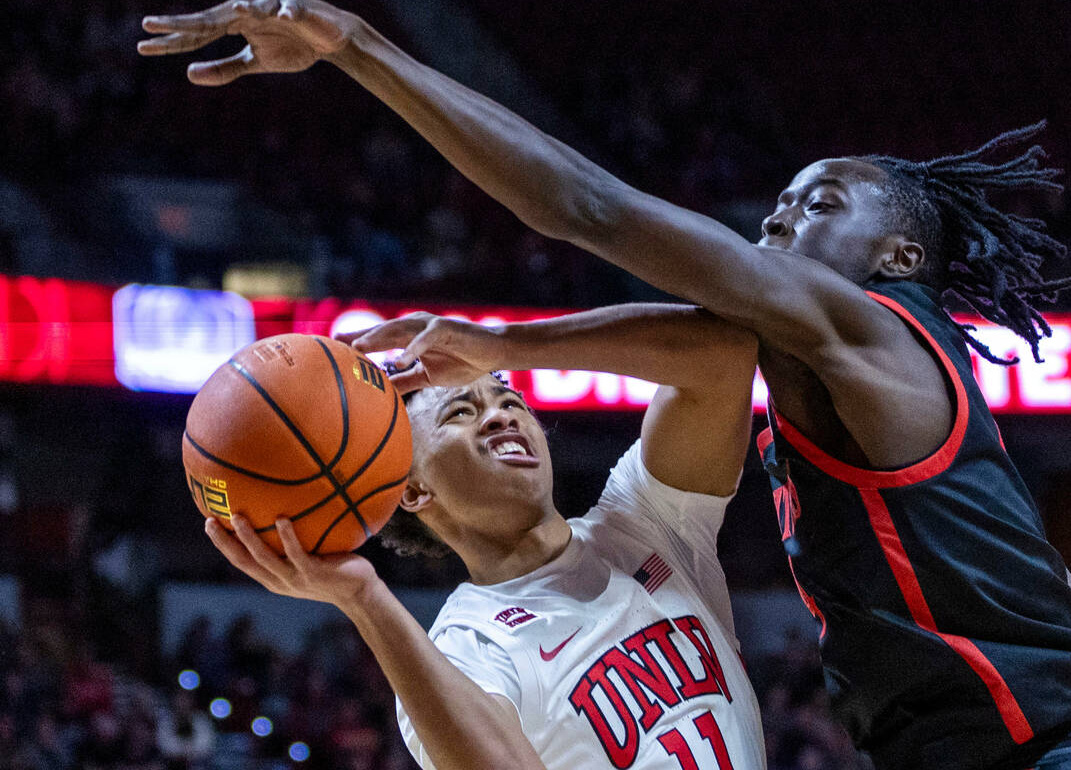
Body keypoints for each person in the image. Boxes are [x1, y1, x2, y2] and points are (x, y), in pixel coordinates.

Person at [139, 0, 1071, 769]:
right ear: (409, 483)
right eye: (776, 212)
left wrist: (357, 47)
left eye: (821, 202)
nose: (780, 225)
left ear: (899, 256)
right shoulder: (841, 395)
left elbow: (589, 209)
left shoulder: (863, 335)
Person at [203, 303, 767, 769]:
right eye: (461, 413)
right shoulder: (465, 649)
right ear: (413, 489)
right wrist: (363, 598)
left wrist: (506, 346)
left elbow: (726, 353)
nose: (500, 416)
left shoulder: (645, 518)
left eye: (509, 399)